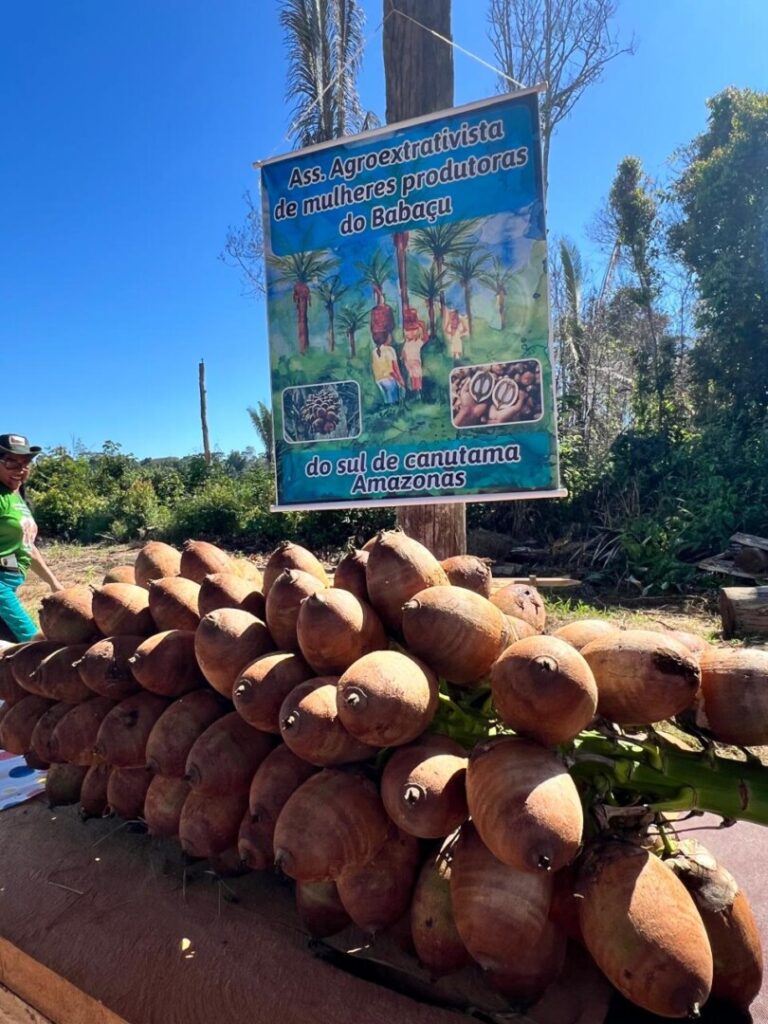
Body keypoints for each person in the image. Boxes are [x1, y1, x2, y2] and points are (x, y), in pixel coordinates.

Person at [0, 434, 62, 642]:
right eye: (11, 461)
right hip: (1, 590)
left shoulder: (16, 497)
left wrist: (54, 584)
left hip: (10, 584)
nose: (20, 469)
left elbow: (28, 546)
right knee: (34, 645)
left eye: (25, 462)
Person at [401, 306, 428, 399]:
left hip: (415, 358)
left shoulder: (417, 339)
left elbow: (424, 338)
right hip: (409, 359)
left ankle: (418, 393)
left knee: (417, 376)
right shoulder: (406, 342)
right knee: (412, 376)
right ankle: (415, 393)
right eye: (408, 331)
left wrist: (422, 327)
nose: (410, 333)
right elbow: (404, 353)